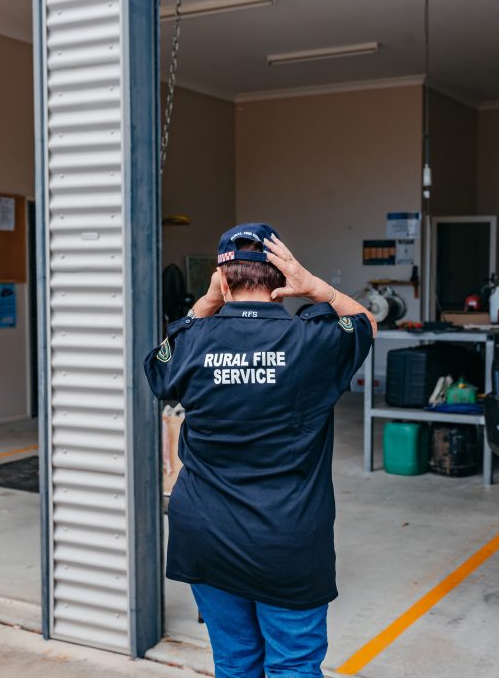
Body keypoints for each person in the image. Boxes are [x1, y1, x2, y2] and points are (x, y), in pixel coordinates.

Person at [144, 223, 376, 677]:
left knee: (234, 662)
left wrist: (209, 302)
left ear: (222, 278)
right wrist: (318, 288)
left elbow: (159, 367)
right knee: (292, 665)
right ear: (282, 281)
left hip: (206, 535)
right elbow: (366, 323)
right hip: (286, 540)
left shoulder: (192, 341)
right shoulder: (313, 340)